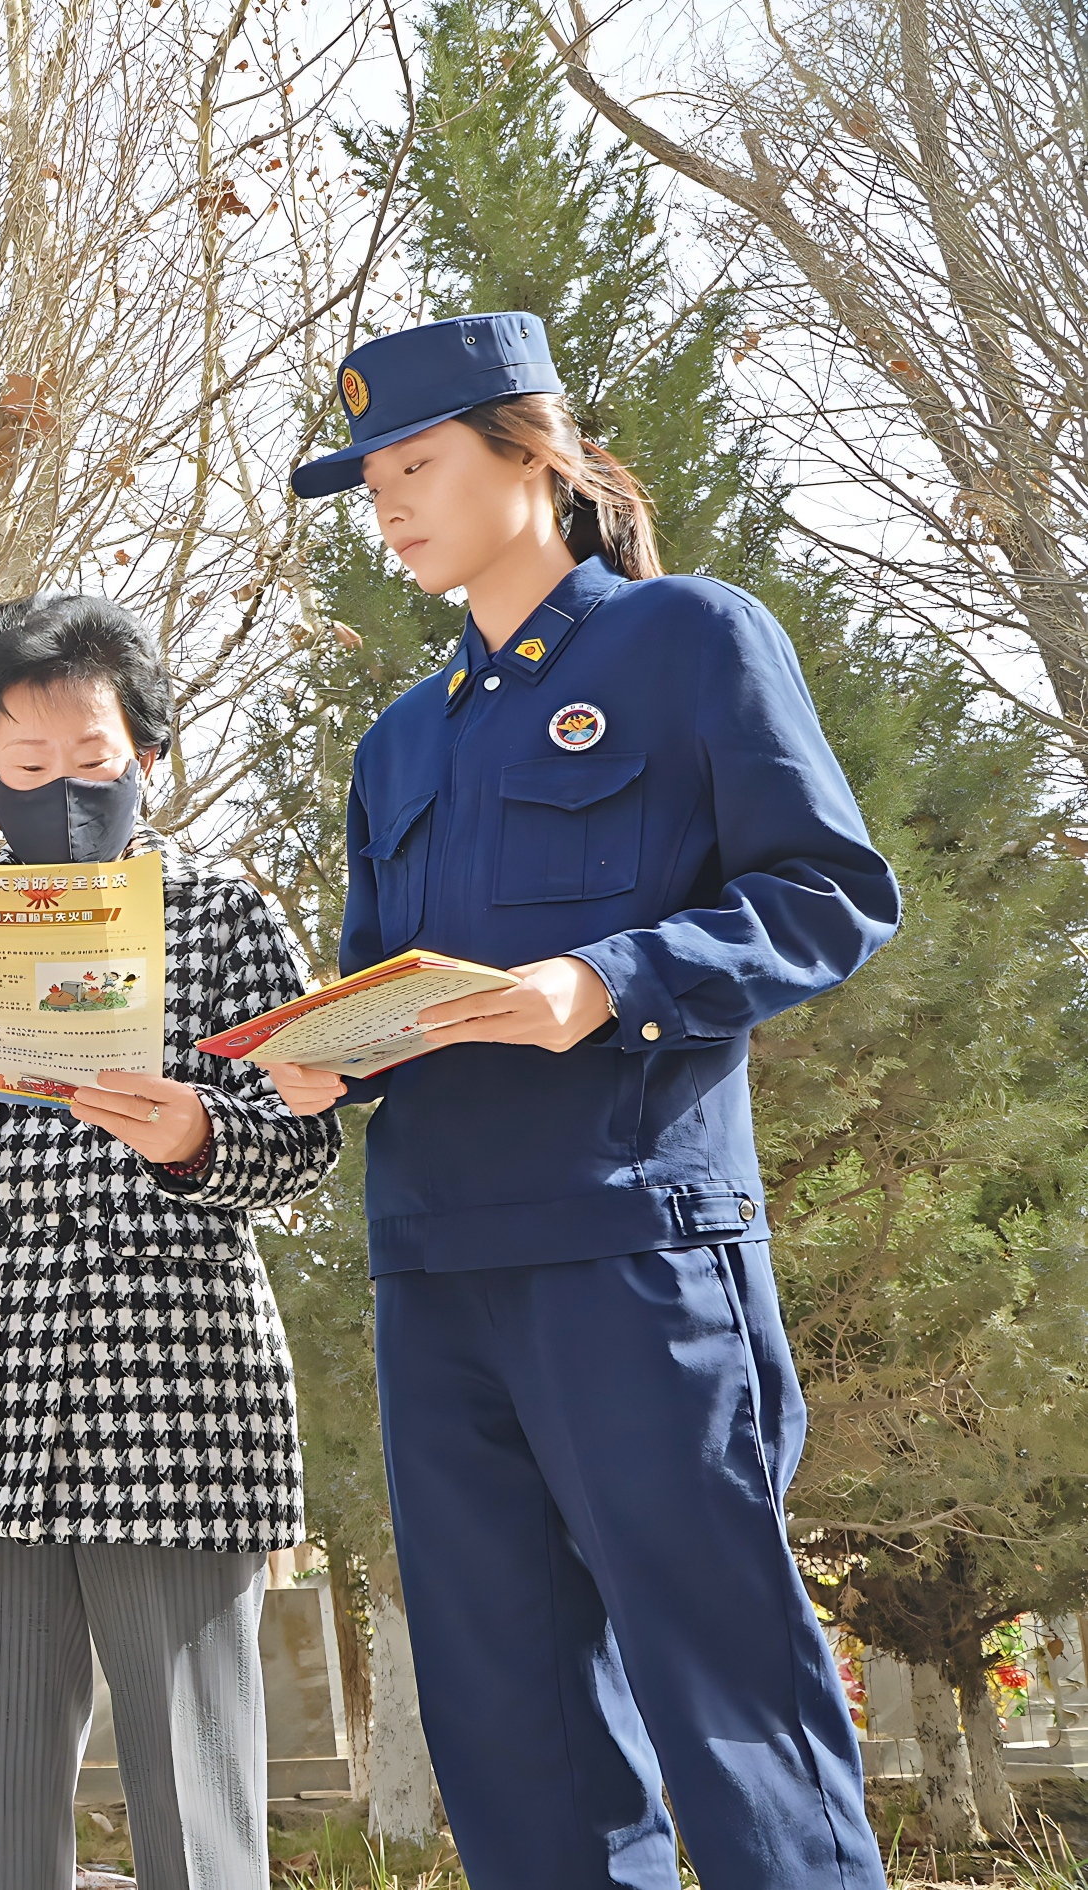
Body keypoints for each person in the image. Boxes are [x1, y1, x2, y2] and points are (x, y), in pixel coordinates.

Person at [270, 312, 898, 1886]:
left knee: (727, 1692)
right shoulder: (396, 743)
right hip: (434, 1266)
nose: (387, 503)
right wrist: (319, 1058)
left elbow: (827, 895)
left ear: (531, 455)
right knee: (511, 1721)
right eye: (368, 483)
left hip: (632, 1248)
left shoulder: (688, 639)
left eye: (414, 464)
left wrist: (607, 979)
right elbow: (373, 986)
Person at [0, 595, 342, 1889]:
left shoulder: (223, 912)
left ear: (148, 758)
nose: (61, 789)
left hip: (177, 1386)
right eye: (26, 764)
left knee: (195, 1792)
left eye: (91, 760)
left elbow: (305, 1140)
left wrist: (197, 1133)